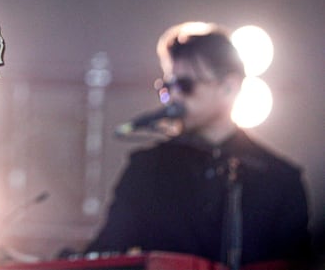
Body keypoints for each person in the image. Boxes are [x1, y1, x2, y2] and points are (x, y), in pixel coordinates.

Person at [85, 22, 312, 266]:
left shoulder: (280, 180)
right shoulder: (146, 169)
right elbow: (107, 253)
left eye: (185, 85)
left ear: (229, 87)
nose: (174, 96)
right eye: (167, 87)